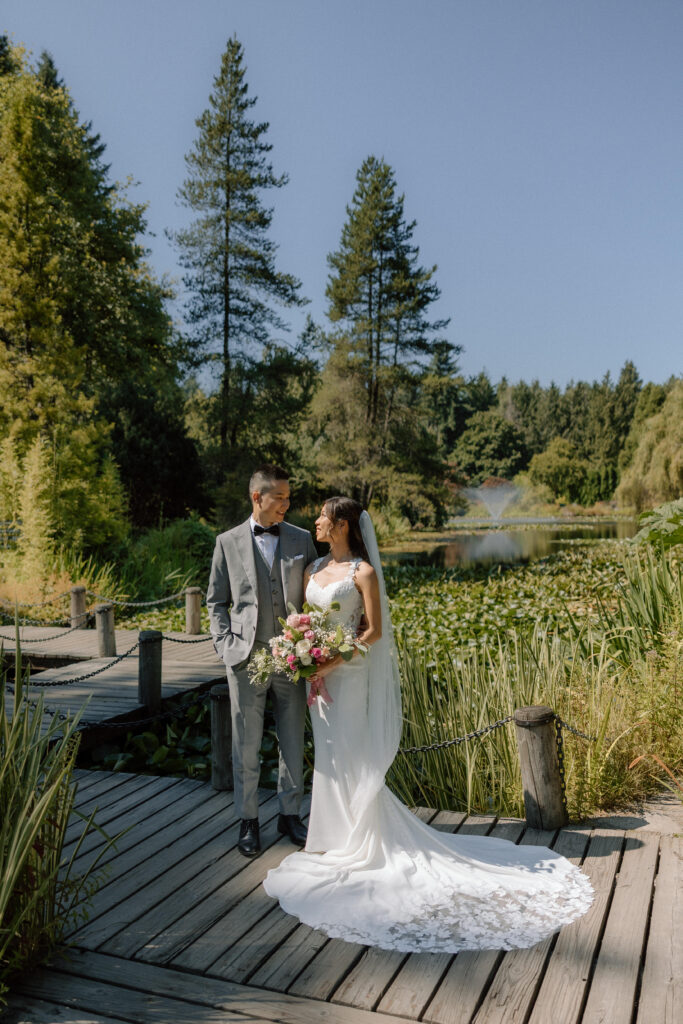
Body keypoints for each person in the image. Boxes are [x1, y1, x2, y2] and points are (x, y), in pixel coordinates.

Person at [263, 497, 593, 952]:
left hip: (350, 676)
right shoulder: (314, 568)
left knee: (353, 751)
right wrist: (306, 655)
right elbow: (305, 622)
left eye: (323, 516)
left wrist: (334, 658)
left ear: (341, 525)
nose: (315, 520)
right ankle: (331, 837)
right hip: (317, 677)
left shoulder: (363, 573)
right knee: (329, 755)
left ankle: (359, 838)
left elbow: (374, 631)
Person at [207, 465, 317, 858]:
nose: (288, 504)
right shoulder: (227, 541)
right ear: (258, 497)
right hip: (245, 659)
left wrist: (311, 644)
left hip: (293, 660)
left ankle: (290, 814)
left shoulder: (303, 539)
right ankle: (248, 818)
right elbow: (216, 601)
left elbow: (315, 598)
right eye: (281, 497)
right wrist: (225, 646)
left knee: (292, 740)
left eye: (289, 497)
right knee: (246, 743)